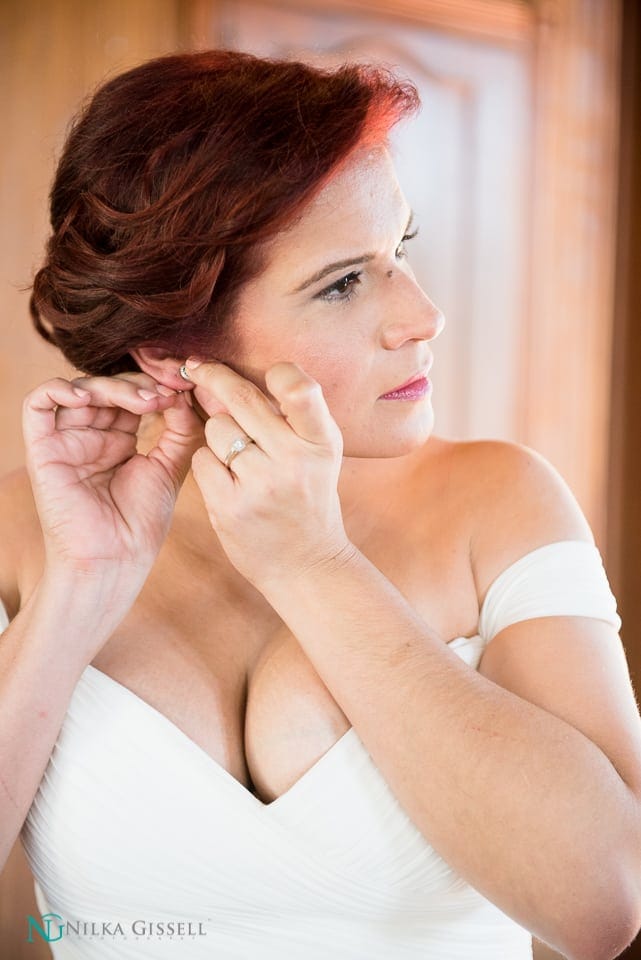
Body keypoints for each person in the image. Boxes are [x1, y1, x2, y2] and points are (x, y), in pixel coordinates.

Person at [0, 49, 639, 960]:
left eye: (399, 252)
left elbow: (602, 906)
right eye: (343, 282)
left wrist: (317, 565)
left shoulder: (501, 504)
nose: (420, 315)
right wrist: (82, 588)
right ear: (170, 352)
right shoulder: (31, 533)